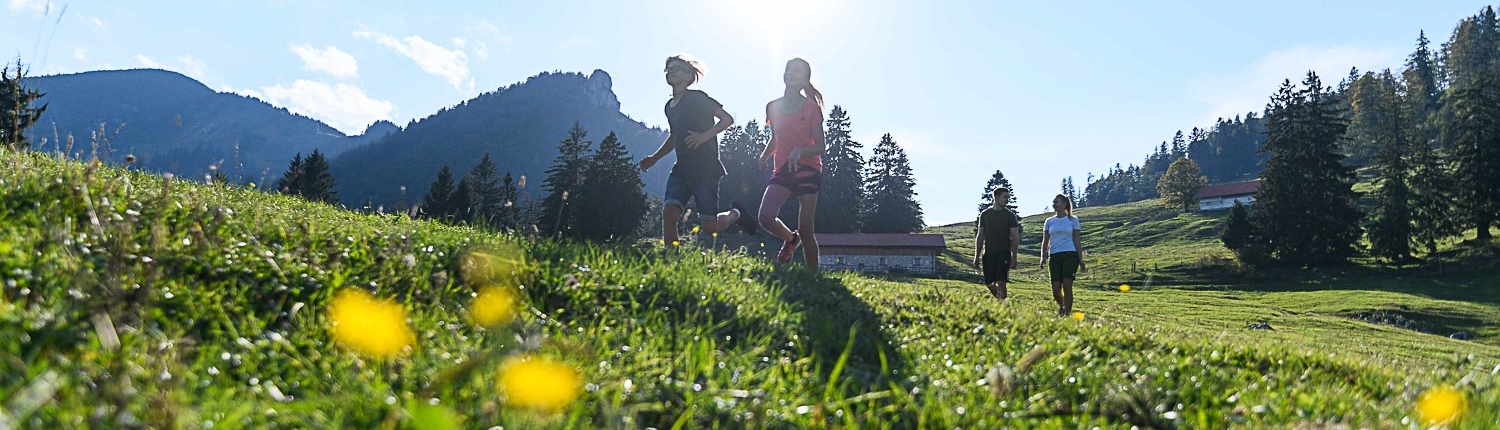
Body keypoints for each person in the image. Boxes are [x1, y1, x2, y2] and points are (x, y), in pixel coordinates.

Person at [639, 54, 758, 246]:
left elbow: (727, 119)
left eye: (676, 69)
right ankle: (671, 261)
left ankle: (736, 214)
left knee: (709, 227)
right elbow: (674, 137)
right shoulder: (669, 107)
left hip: (706, 168)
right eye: (668, 69)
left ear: (688, 76)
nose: (670, 72)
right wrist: (655, 158)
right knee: (669, 212)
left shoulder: (698, 98)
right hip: (682, 168)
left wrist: (704, 136)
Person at [757, 58, 825, 268]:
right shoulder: (772, 107)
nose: (791, 73)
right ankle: (790, 239)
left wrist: (801, 151)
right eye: (788, 69)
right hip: (783, 168)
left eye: (797, 71)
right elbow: (775, 138)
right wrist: (765, 155)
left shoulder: (811, 108)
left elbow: (821, 147)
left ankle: (814, 279)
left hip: (809, 168)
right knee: (765, 217)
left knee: (806, 230)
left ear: (805, 78)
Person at [1040, 194, 1086, 316]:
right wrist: (1043, 256)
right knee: (1056, 289)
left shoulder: (1073, 220)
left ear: (1065, 204)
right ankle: (1062, 306)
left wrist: (1080, 259)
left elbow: (1077, 239)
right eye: (1054, 202)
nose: (1054, 204)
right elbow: (1045, 240)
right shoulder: (1049, 221)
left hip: (1070, 255)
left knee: (1067, 285)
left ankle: (1067, 313)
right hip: (1054, 255)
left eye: (1057, 202)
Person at [974, 187, 1019, 300]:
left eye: (1008, 198)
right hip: (988, 253)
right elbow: (980, 236)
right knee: (989, 284)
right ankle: (1002, 301)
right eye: (1004, 197)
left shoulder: (1010, 216)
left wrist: (1014, 256)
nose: (1007, 200)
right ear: (996, 197)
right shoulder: (985, 214)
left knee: (1001, 281)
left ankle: (1002, 307)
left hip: (1004, 252)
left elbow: (1015, 236)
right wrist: (976, 256)